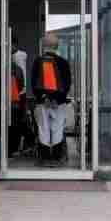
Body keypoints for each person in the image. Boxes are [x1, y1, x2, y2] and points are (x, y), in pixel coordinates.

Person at [29, 33, 74, 164]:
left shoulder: (38, 61)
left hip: (42, 102)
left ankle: (45, 157)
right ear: (57, 46)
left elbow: (34, 83)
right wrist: (56, 99)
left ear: (44, 45)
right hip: (58, 102)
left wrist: (44, 97)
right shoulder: (63, 62)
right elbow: (67, 84)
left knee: (43, 128)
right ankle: (56, 157)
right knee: (57, 128)